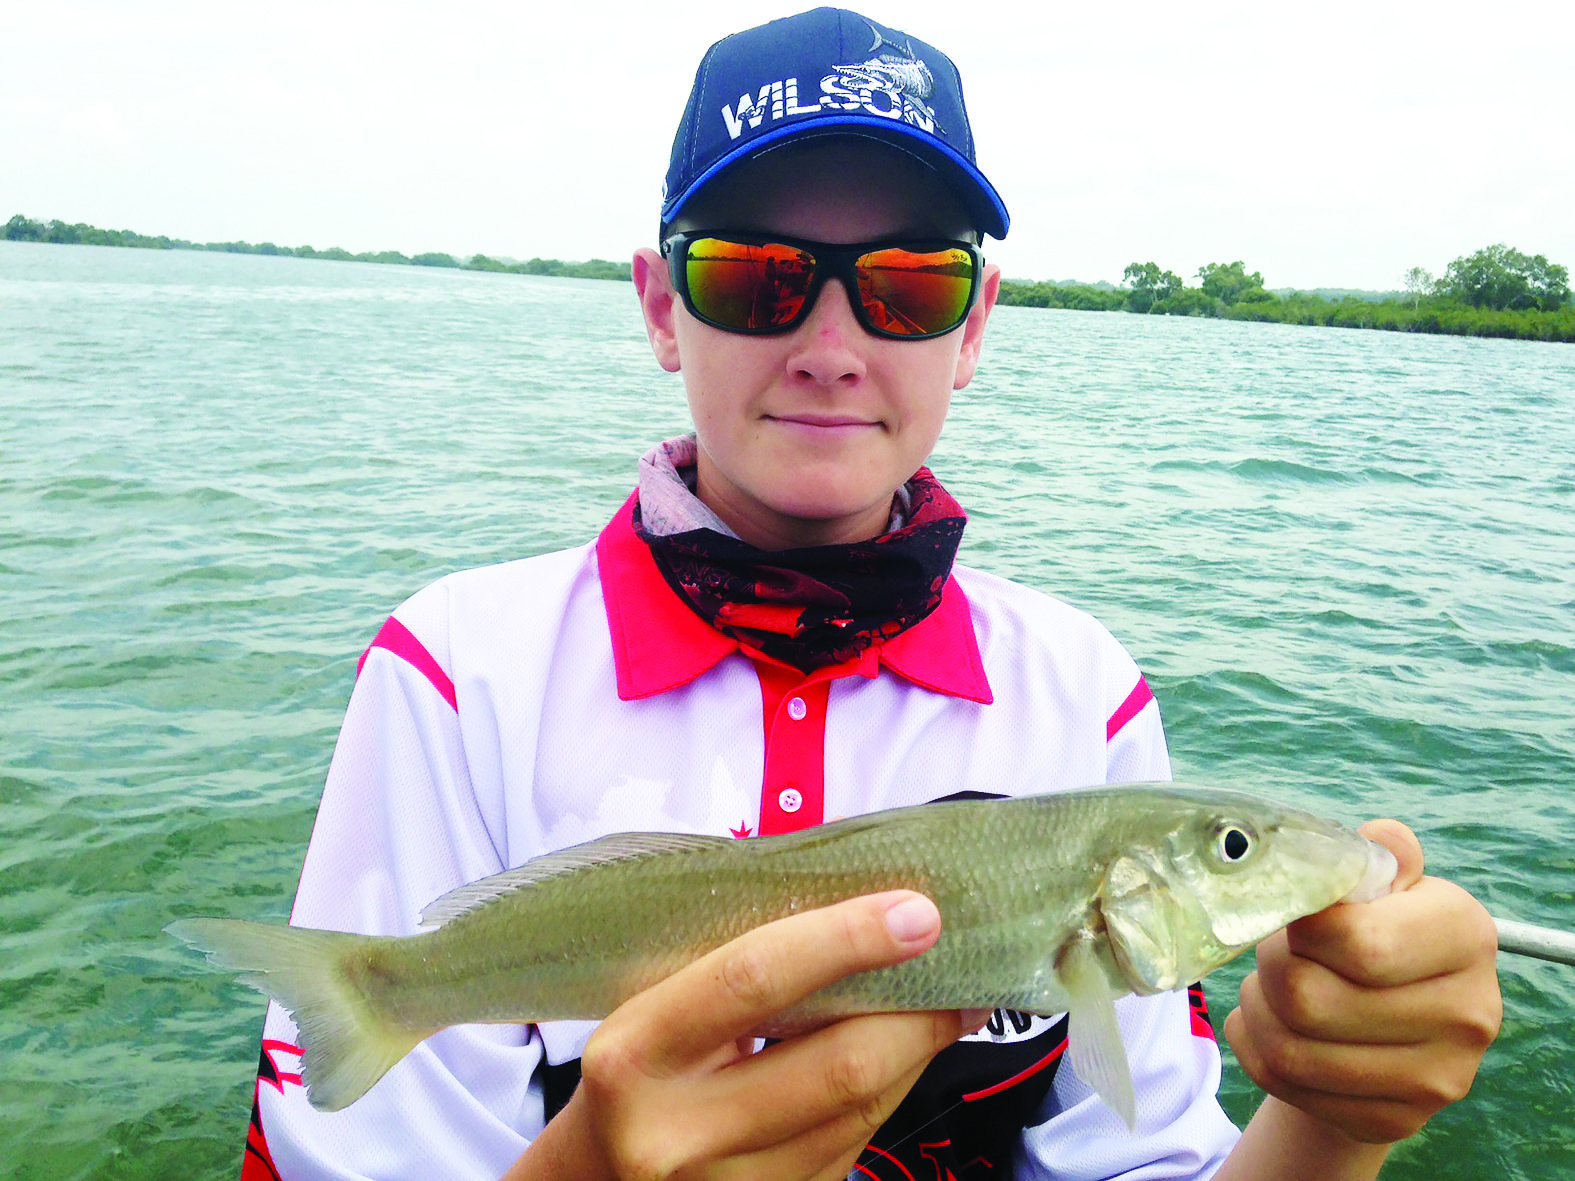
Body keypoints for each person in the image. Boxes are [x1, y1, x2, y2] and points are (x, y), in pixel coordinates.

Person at [240, 9, 1502, 1180]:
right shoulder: (457, 671)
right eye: (752, 274)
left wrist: (1333, 1122)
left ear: (974, 325)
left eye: (908, 283)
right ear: (661, 308)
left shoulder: (1085, 692)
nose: (832, 347)